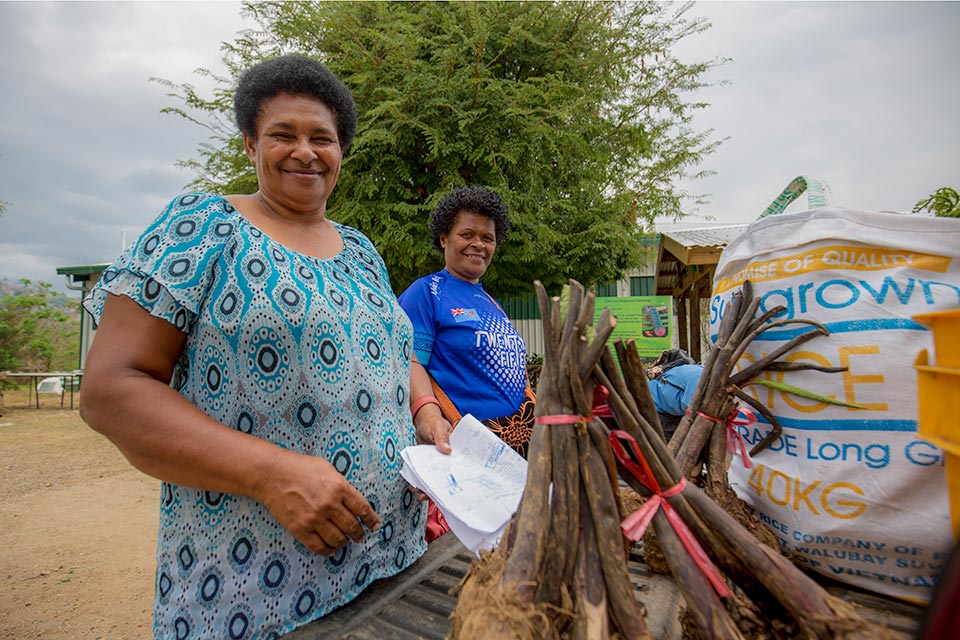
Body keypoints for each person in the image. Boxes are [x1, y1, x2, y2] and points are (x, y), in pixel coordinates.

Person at [79, 54, 450, 639]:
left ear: (341, 153)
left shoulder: (360, 252)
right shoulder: (203, 227)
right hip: (251, 590)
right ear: (251, 145)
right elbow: (111, 389)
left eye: (321, 138)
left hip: (389, 561)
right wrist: (272, 474)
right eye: (283, 134)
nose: (305, 151)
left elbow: (394, 351)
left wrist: (426, 412)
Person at [398, 186, 534, 460]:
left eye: (488, 238)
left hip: (518, 452)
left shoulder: (492, 304)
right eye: (467, 235)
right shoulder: (427, 293)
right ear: (444, 239)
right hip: (464, 451)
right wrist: (428, 413)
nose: (479, 245)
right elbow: (408, 362)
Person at [646, 348, 703, 441]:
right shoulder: (698, 378)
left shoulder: (701, 371)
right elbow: (690, 409)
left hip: (666, 404)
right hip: (655, 404)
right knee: (667, 444)